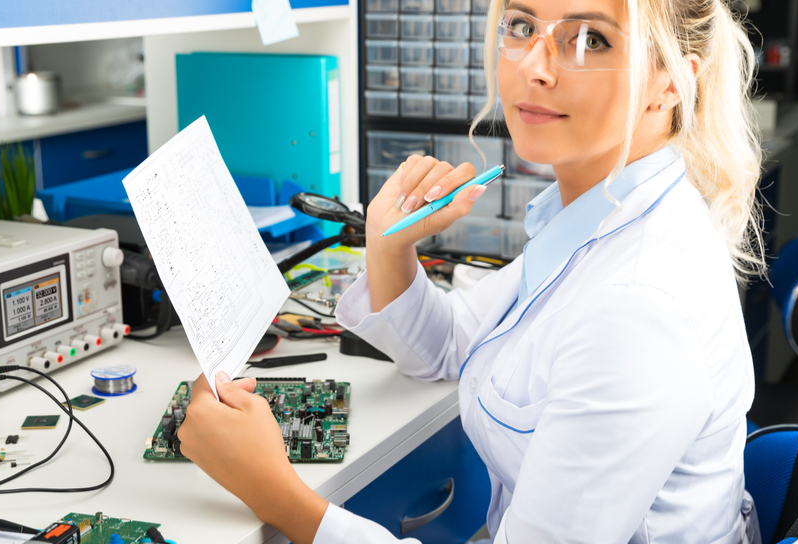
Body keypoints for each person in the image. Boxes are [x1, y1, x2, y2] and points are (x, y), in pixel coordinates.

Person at [177, 0, 765, 541]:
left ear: (669, 84)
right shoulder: (593, 215)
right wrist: (387, 247)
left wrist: (275, 493)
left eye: (589, 39)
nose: (534, 66)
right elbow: (451, 345)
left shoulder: (639, 303)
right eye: (521, 26)